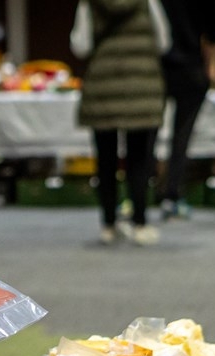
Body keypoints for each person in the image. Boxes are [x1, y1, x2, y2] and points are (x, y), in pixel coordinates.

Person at [78, 0, 165, 246]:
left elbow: (81, 45)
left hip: (103, 86)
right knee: (139, 158)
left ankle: (108, 224)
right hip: (141, 85)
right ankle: (140, 223)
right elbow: (163, 41)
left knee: (105, 159)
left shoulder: (88, 4)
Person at [157, 0, 215, 219]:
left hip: (160, 65)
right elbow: (213, 29)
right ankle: (172, 195)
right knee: (181, 136)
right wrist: (210, 66)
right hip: (191, 66)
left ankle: (140, 194)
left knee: (148, 134)